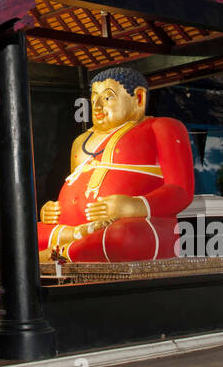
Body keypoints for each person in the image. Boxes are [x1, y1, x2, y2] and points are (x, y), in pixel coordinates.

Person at [38, 66, 194, 262]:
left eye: (107, 98)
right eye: (94, 98)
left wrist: (132, 206)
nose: (96, 106)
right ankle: (75, 240)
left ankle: (57, 255)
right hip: (73, 228)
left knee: (122, 236)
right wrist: (52, 210)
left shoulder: (162, 127)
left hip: (135, 225)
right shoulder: (80, 141)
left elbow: (180, 191)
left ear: (138, 98)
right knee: (20, 234)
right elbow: (75, 188)